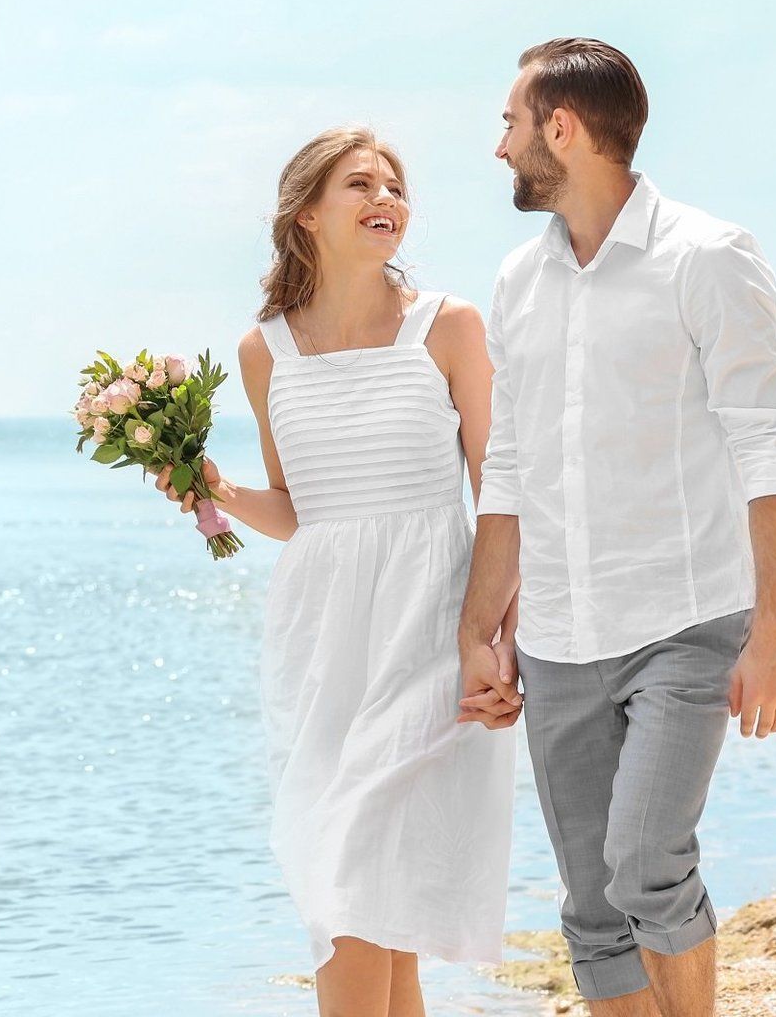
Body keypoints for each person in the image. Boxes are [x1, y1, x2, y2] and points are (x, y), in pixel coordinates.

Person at [455, 37, 776, 1017]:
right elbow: (513, 465)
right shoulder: (518, 282)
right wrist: (480, 625)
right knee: (592, 906)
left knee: (647, 864)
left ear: (561, 128)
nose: (500, 147)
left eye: (510, 123)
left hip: (687, 617)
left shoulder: (708, 255)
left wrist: (775, 634)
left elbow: (769, 451)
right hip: (561, 634)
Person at [155, 125, 519, 1017]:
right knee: (363, 904)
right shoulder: (263, 350)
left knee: (353, 883)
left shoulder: (450, 326)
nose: (385, 198)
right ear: (306, 216)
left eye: (394, 185)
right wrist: (222, 491)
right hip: (321, 640)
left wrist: (510, 641)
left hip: (433, 629)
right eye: (360, 184)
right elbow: (300, 508)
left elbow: (504, 493)